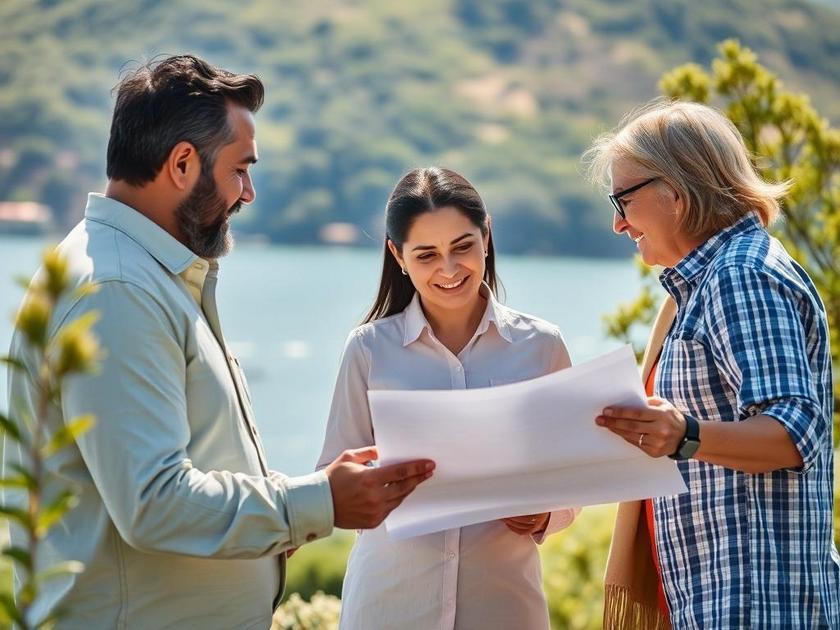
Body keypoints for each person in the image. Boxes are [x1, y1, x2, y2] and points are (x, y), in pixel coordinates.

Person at [5, 55, 434, 629]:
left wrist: (295, 503)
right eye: (240, 169)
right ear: (183, 163)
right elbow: (154, 503)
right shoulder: (119, 290)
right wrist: (316, 503)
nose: (249, 193)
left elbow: (188, 464)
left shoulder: (141, 274)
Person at [584, 99, 840, 628]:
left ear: (673, 194)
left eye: (622, 199)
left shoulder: (737, 277)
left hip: (755, 607)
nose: (617, 223)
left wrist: (684, 435)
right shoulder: (714, 280)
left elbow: (799, 432)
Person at [317, 167, 579, 629]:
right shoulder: (368, 349)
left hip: (503, 609)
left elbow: (577, 475)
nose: (449, 269)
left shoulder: (541, 346)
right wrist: (378, 488)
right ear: (397, 256)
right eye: (427, 255)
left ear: (486, 234)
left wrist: (544, 513)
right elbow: (332, 479)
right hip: (389, 607)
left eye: (463, 247)